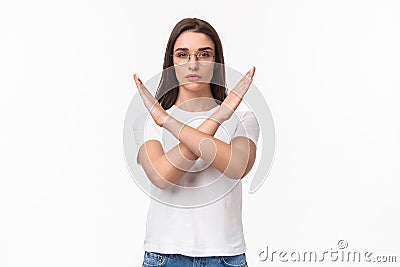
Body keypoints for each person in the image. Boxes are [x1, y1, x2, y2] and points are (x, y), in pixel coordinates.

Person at [133, 18, 260, 267]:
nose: (194, 64)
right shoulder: (147, 121)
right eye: (183, 55)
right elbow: (162, 176)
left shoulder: (243, 117)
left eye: (204, 54)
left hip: (226, 257)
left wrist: (168, 122)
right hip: (164, 256)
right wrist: (218, 118)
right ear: (171, 62)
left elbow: (237, 167)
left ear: (216, 61)